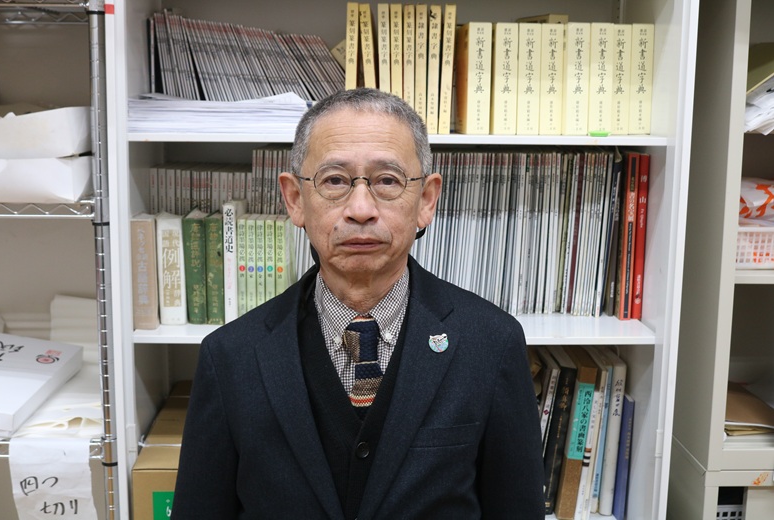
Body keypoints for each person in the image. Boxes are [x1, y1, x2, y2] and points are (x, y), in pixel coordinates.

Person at [171, 87, 545, 519]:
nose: (361, 209)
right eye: (334, 180)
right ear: (295, 199)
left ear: (426, 200)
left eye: (387, 180)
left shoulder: (491, 344)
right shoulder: (230, 357)